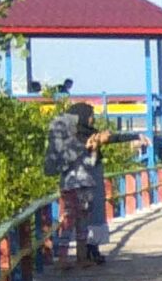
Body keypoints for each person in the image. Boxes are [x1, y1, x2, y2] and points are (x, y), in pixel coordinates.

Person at [41, 102, 145, 266]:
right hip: (72, 186)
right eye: (90, 115)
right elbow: (67, 158)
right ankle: (63, 259)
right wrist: (86, 146)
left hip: (87, 185)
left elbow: (96, 156)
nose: (92, 119)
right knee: (69, 222)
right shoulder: (68, 137)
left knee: (83, 222)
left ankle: (83, 256)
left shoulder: (88, 134)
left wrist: (95, 149)